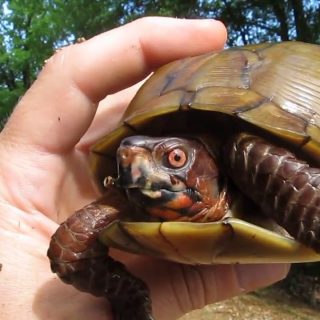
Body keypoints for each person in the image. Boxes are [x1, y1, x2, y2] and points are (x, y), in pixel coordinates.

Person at [0, 17, 289, 320]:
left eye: (175, 159)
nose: (136, 167)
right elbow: (72, 250)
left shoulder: (252, 159)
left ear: (214, 168)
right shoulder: (124, 200)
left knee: (252, 154)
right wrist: (126, 293)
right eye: (125, 160)